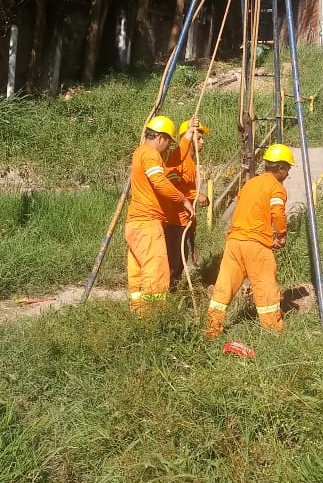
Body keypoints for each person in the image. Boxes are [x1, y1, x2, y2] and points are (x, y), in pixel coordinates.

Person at [204, 143, 295, 339]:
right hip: (256, 245)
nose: (288, 174)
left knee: (224, 286)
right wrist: (281, 235)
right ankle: (273, 332)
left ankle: (212, 328)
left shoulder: (250, 183)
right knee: (265, 286)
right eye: (287, 169)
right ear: (280, 168)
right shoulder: (276, 187)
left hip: (234, 242)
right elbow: (278, 213)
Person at [125, 115, 194, 317]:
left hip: (135, 224)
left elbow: (172, 161)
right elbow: (160, 181)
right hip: (148, 223)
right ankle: (152, 320)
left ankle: (138, 316)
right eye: (168, 142)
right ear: (161, 138)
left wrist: (188, 135)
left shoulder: (141, 152)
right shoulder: (150, 154)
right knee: (156, 272)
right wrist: (182, 199)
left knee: (139, 273)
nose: (167, 148)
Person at [164, 117, 210, 285]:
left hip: (185, 221)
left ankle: (172, 294)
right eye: (198, 138)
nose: (202, 142)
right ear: (188, 138)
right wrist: (196, 195)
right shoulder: (178, 161)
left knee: (180, 262)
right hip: (174, 222)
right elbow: (170, 186)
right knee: (173, 263)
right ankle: (165, 296)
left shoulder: (191, 162)